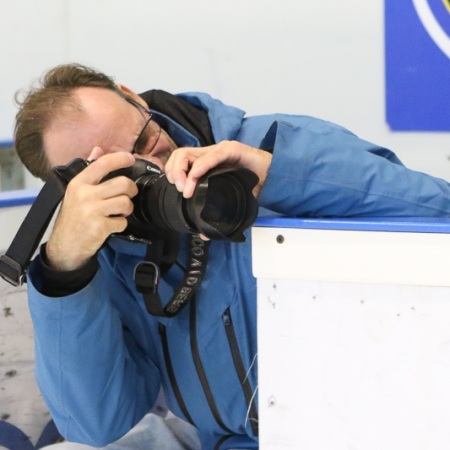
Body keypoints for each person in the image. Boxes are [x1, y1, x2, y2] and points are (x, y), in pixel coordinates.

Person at [13, 63, 450, 450]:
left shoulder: (271, 143)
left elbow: (438, 210)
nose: (153, 165)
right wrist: (64, 270)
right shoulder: (107, 246)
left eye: (146, 138)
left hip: (380, 431)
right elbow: (95, 424)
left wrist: (280, 174)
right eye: (120, 172)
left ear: (133, 97)